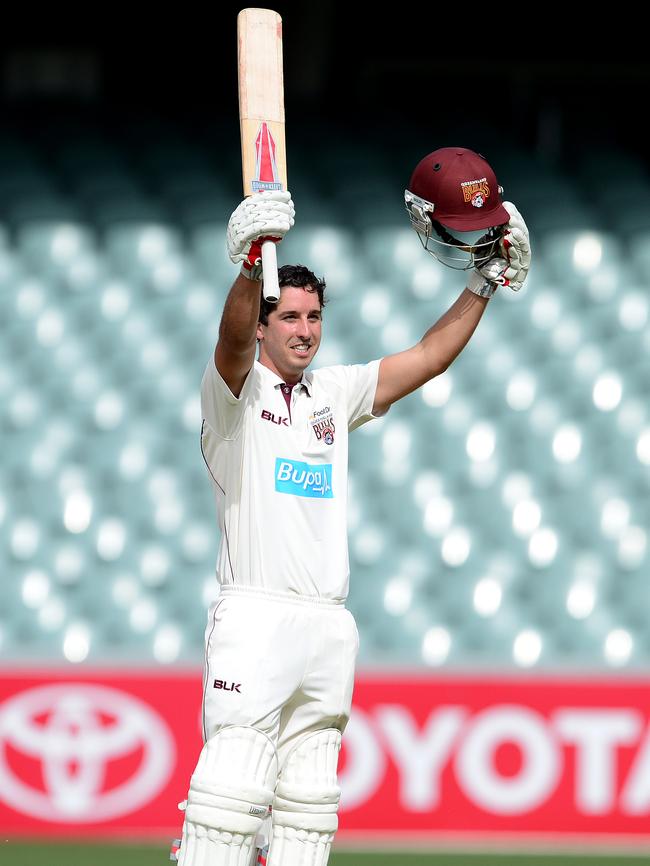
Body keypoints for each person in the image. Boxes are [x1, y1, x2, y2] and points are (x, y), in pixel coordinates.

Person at [175, 147, 531, 866]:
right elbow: (230, 341)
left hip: (329, 625)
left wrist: (487, 283)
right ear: (269, 326)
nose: (305, 330)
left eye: (315, 317)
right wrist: (251, 268)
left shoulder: (333, 393)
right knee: (226, 805)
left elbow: (428, 357)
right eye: (292, 318)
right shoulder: (233, 400)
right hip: (257, 614)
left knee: (309, 816)